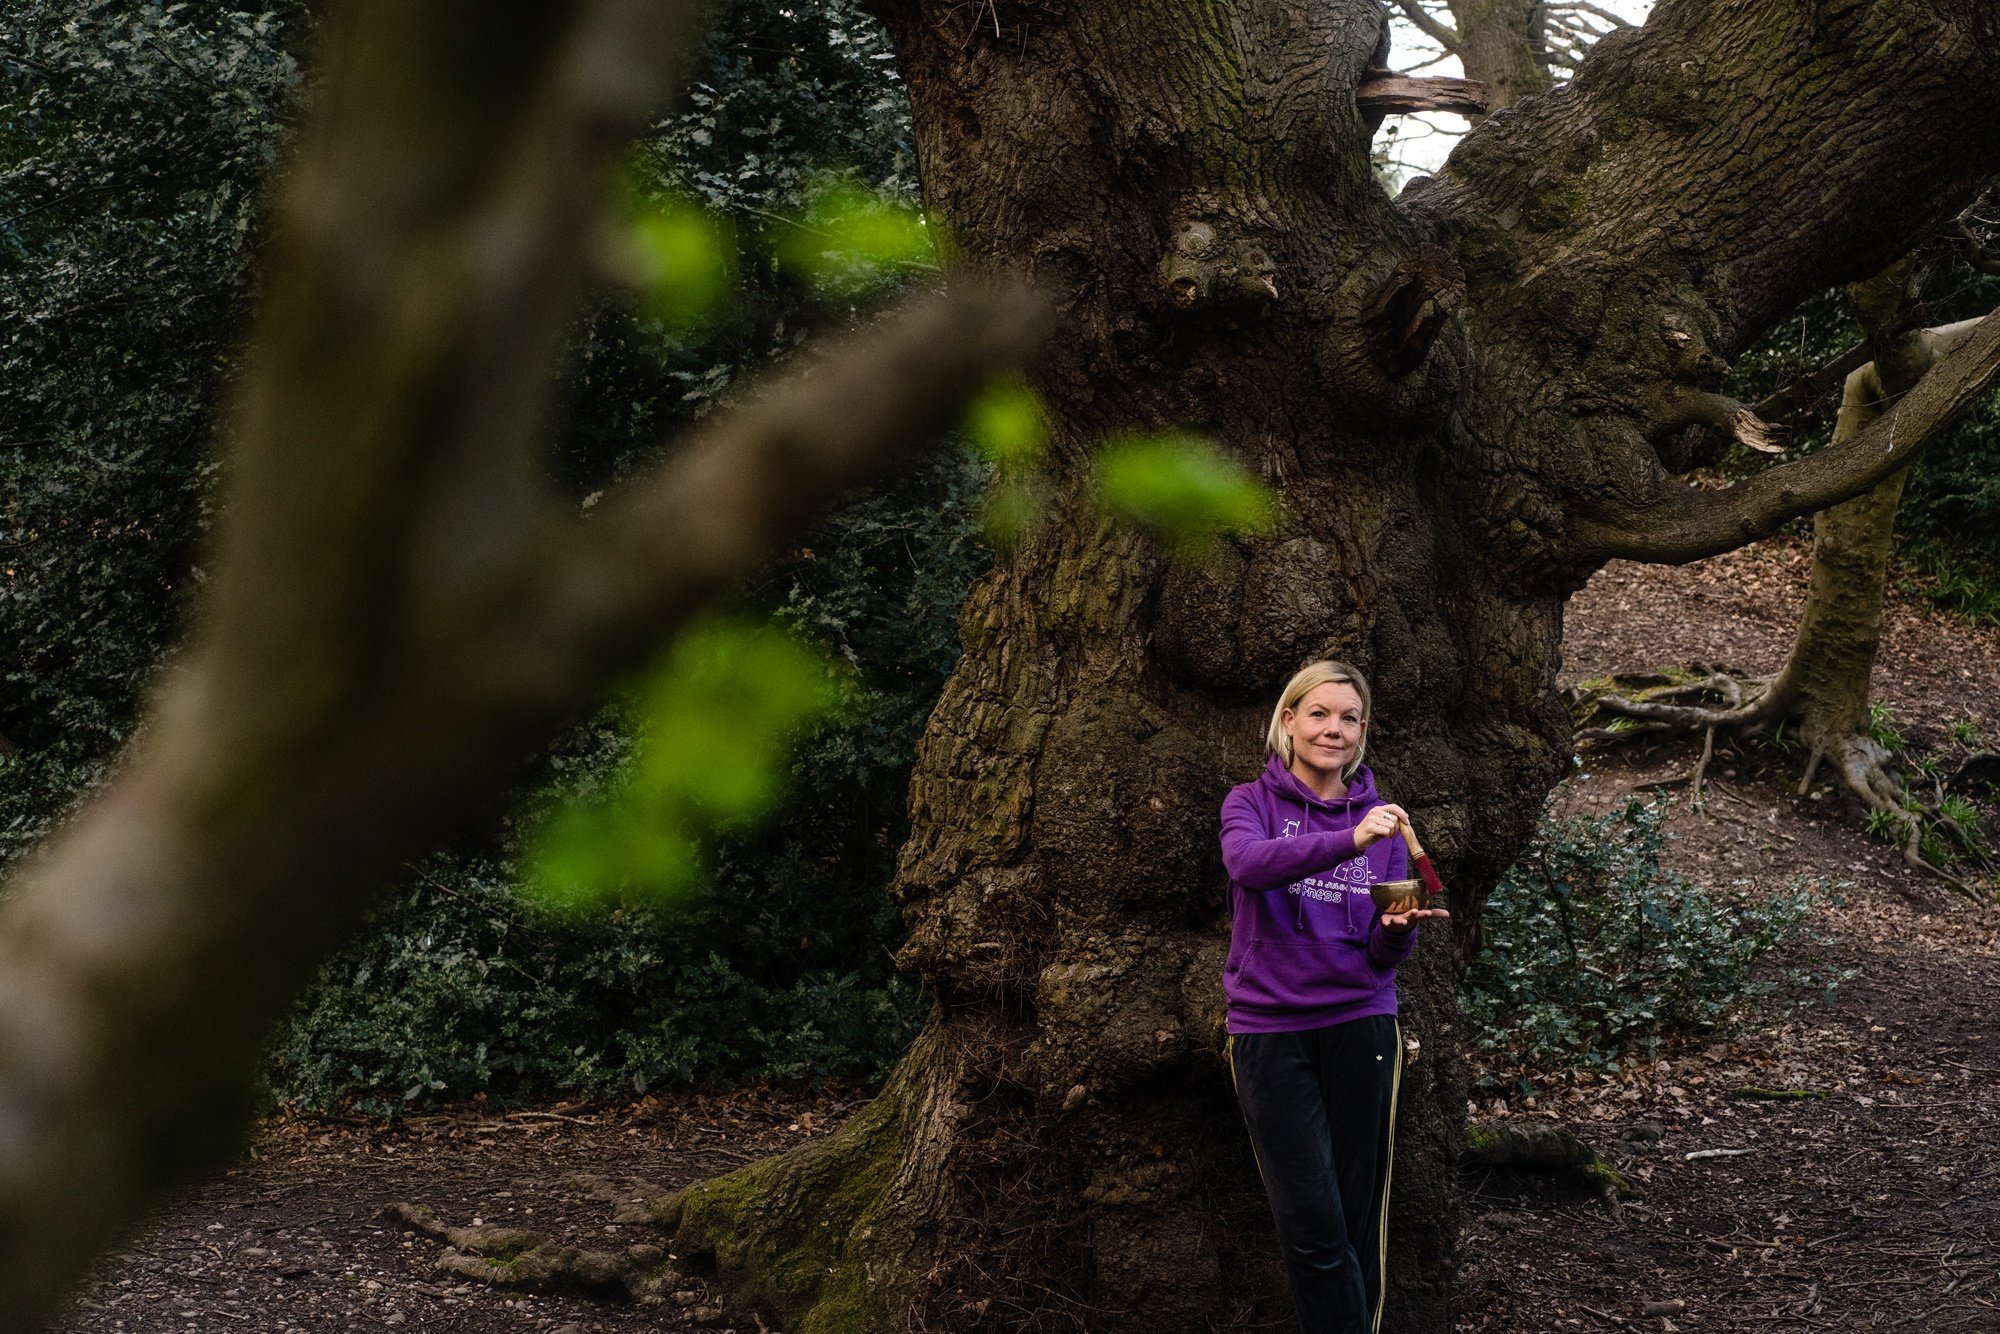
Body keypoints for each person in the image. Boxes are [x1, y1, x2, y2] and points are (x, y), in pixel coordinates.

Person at [1219, 660, 1450, 1334]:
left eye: (1348, 718)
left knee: (1357, 1221)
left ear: (1362, 731)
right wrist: (1350, 838)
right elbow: (1249, 866)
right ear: (1288, 721)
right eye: (1318, 713)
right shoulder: (1250, 804)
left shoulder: (1386, 830)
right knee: (1310, 1221)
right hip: (1268, 1031)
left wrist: (1397, 932)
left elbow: (1382, 953)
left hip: (1361, 1025)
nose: (1333, 729)